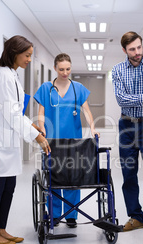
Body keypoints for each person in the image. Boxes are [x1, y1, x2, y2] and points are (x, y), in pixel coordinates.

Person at [0, 35, 51, 244]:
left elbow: (16, 111)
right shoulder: (4, 76)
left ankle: (1, 229)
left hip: (7, 140)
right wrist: (36, 136)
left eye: (30, 56)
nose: (28, 59)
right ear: (14, 53)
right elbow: (11, 114)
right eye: (26, 55)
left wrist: (32, 126)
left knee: (9, 187)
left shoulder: (12, 75)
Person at [33, 53, 99, 228]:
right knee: (53, 177)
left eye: (68, 69)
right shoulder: (46, 88)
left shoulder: (78, 88)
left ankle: (71, 214)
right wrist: (42, 126)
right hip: (52, 140)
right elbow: (41, 112)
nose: (64, 72)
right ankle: (54, 215)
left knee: (72, 177)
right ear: (55, 68)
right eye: (61, 69)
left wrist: (92, 127)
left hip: (73, 140)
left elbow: (86, 110)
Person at [112, 31, 143, 232]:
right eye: (132, 49)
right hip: (126, 126)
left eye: (139, 47)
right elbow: (120, 99)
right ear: (124, 50)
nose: (137, 52)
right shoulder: (117, 70)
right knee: (128, 174)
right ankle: (135, 217)